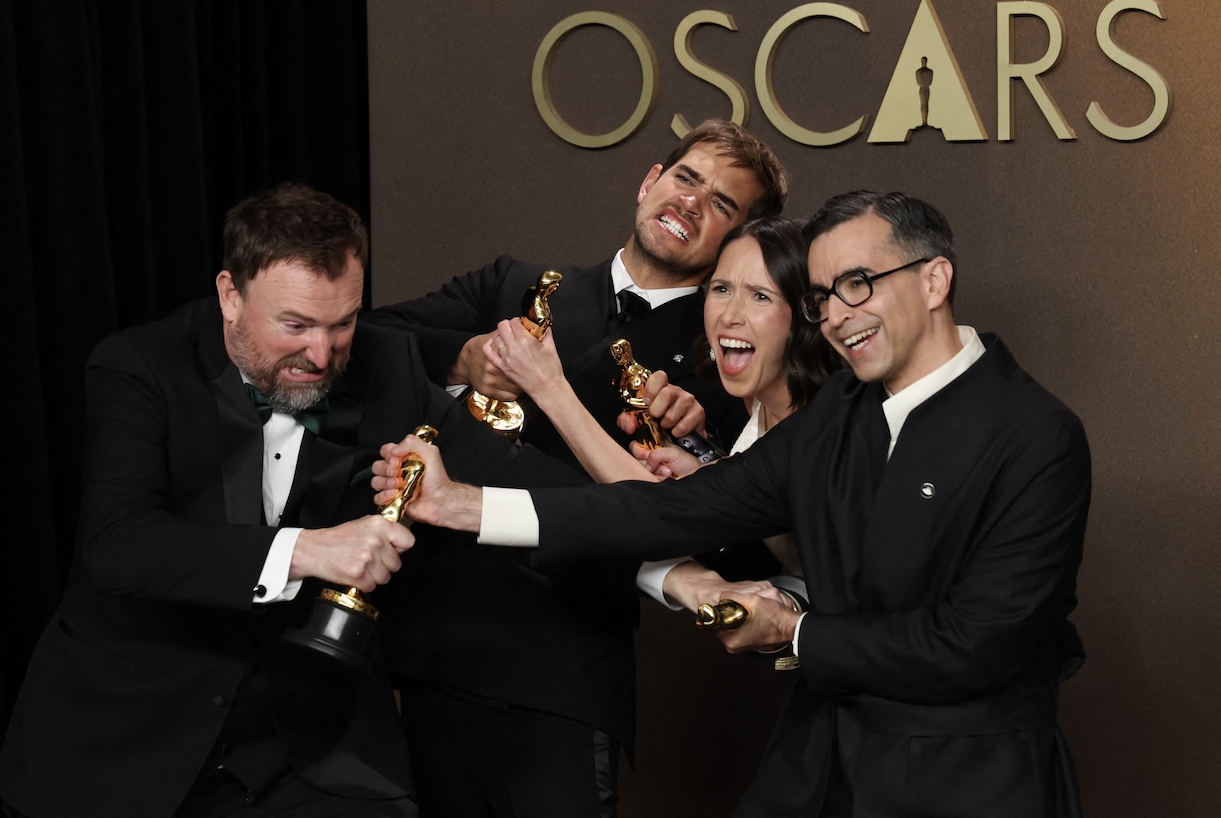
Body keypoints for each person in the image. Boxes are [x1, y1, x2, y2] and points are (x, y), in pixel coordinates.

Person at [376, 190, 1091, 817]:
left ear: (935, 279)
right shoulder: (841, 408)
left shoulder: (1037, 434)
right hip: (820, 763)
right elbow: (675, 510)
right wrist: (465, 504)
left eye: (860, 284)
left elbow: (973, 645)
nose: (840, 316)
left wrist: (796, 633)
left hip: (970, 779)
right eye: (823, 297)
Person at [0, 184, 569, 818]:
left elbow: (524, 481)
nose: (322, 356)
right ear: (230, 296)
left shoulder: (390, 363)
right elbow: (118, 546)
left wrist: (663, 525)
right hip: (125, 744)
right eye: (294, 325)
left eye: (342, 323)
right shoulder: (139, 366)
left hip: (305, 753)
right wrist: (310, 551)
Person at [363, 119, 787, 816]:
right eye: (686, 179)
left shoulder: (725, 370)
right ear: (650, 181)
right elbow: (370, 340)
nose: (690, 202)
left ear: (734, 246)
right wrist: (466, 356)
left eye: (721, 204)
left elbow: (722, 529)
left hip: (566, 670)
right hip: (437, 647)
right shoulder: (514, 285)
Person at [485, 216, 842, 613]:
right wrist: (708, 477)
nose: (730, 315)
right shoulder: (759, 413)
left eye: (760, 296)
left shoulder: (835, 423)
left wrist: (549, 388)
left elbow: (661, 518)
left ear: (808, 312)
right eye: (722, 289)